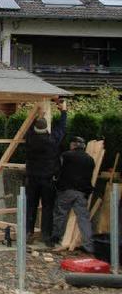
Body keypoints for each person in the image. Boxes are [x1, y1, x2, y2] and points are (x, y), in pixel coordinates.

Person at [25, 100, 67, 247]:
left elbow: (29, 129)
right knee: (48, 207)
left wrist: (38, 115)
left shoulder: (30, 139)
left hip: (32, 179)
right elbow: (61, 129)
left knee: (30, 206)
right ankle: (46, 236)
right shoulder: (52, 141)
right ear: (46, 129)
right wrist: (63, 112)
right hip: (48, 179)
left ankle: (28, 232)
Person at [51, 136, 95, 252]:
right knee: (83, 219)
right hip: (82, 192)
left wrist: (56, 182)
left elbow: (57, 169)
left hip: (66, 190)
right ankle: (88, 245)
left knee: (61, 214)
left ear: (73, 145)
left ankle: (56, 239)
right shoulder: (90, 159)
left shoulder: (66, 156)